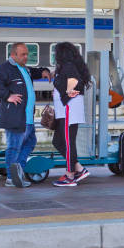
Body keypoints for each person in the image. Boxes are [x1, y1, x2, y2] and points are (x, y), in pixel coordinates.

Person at [0, 42, 51, 188]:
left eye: (26, 54)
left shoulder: (24, 69)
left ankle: (18, 172)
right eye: (23, 54)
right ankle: (11, 178)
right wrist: (7, 95)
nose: (26, 57)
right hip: (15, 117)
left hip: (27, 118)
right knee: (14, 147)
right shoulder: (5, 69)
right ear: (13, 55)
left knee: (30, 143)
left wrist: (45, 71)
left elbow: (36, 72)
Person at [51, 42, 92, 187]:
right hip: (65, 110)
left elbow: (75, 82)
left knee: (68, 143)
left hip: (69, 109)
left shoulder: (68, 66)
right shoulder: (67, 67)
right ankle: (79, 169)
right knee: (58, 141)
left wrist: (66, 93)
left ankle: (70, 176)